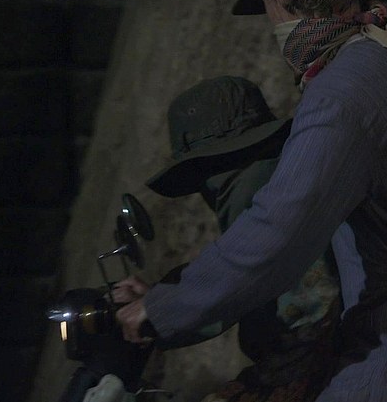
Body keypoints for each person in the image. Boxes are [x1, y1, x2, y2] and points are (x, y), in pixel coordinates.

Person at [116, 0, 387, 401]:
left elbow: (279, 229)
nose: (271, 24)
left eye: (266, 6)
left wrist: (163, 308)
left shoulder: (340, 94)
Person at [113, 75, 342, 401]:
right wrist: (161, 299)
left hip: (322, 362)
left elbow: (251, 266)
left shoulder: (259, 187)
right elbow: (244, 271)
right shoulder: (286, 174)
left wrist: (162, 305)